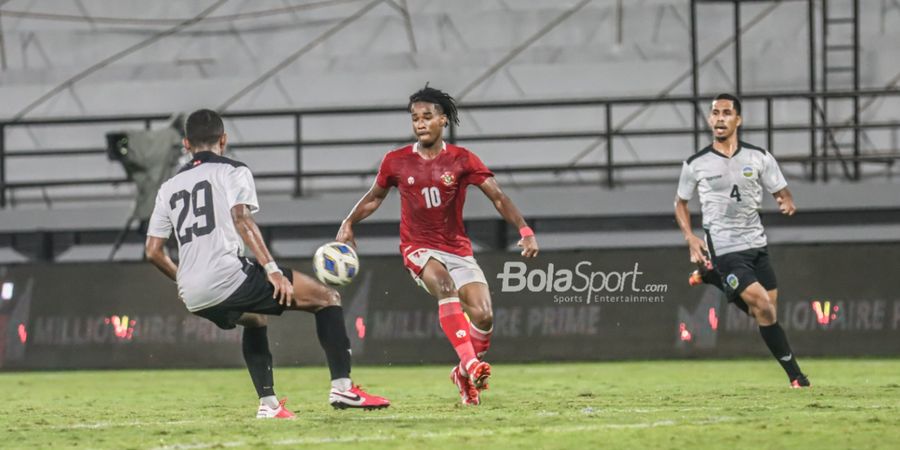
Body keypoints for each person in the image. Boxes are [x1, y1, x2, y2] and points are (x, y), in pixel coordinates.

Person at [145, 109, 390, 418]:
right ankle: (343, 388)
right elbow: (241, 218)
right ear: (224, 139)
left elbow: (153, 251)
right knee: (327, 299)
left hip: (192, 292)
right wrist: (272, 270)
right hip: (226, 277)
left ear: (185, 144)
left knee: (255, 319)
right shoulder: (233, 171)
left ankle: (269, 405)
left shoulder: (168, 188)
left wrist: (182, 280)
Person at [336, 85, 539, 405]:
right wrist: (348, 222)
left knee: (484, 315)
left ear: (443, 120)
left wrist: (524, 229)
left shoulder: (462, 160)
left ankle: (461, 373)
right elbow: (374, 197)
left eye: (427, 117)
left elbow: (498, 197)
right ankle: (472, 364)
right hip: (418, 247)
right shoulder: (396, 161)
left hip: (457, 248)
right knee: (444, 285)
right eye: (415, 118)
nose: (420, 123)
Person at [674, 93, 810, 388]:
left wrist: (785, 202)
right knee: (762, 305)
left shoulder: (758, 157)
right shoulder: (696, 163)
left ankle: (711, 277)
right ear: (710, 119)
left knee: (765, 312)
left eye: (726, 113)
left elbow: (782, 192)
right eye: (715, 113)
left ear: (738, 119)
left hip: (756, 244)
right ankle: (797, 377)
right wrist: (690, 237)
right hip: (724, 247)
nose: (719, 118)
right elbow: (680, 203)